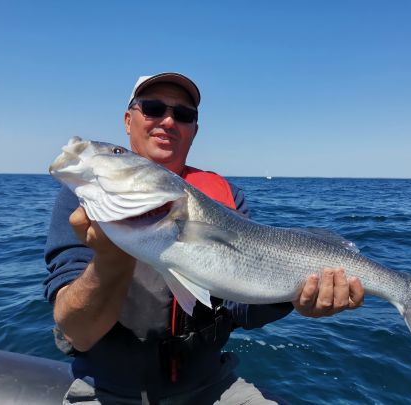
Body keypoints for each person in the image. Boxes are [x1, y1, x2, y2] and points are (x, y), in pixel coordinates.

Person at [44, 72, 365, 404]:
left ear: (194, 130)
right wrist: (111, 258)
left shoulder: (225, 197)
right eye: (153, 108)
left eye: (183, 115)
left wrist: (295, 296)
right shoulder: (84, 198)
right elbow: (77, 333)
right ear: (129, 120)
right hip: (108, 389)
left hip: (212, 385)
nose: (168, 121)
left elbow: (240, 307)